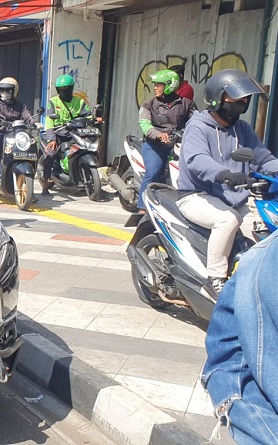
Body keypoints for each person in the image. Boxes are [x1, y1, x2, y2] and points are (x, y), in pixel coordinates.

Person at [177, 69, 278, 293]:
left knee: (266, 225)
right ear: (218, 97)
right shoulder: (198, 126)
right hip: (196, 195)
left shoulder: (242, 128)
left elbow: (263, 158)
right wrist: (224, 174)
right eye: (236, 98)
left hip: (235, 198)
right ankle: (215, 279)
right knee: (227, 220)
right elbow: (197, 159)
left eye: (245, 99)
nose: (242, 102)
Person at [202, 230, 278, 444]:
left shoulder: (260, 257)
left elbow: (227, 362)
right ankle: (214, 276)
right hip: (198, 199)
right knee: (226, 220)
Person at [136, 69, 197, 213]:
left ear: (170, 85)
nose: (155, 87)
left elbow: (196, 123)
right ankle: (142, 207)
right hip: (154, 145)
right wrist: (157, 134)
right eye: (155, 84)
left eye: (159, 84)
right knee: (153, 171)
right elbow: (144, 124)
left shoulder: (186, 104)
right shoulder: (148, 104)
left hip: (177, 144)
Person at [42, 75, 91, 195]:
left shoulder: (80, 102)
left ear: (72, 88)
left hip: (74, 133)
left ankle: (83, 179)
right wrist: (52, 139)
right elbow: (49, 122)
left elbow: (88, 116)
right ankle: (45, 182)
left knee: (85, 149)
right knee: (50, 154)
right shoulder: (53, 102)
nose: (64, 91)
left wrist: (92, 121)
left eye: (66, 89)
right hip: (58, 133)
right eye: (61, 89)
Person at [0, 76, 32, 185]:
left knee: (30, 142)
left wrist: (34, 122)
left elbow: (27, 116)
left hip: (16, 133)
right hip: (1, 132)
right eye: (2, 90)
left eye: (8, 90)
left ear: (14, 91)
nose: (5, 93)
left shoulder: (20, 105)